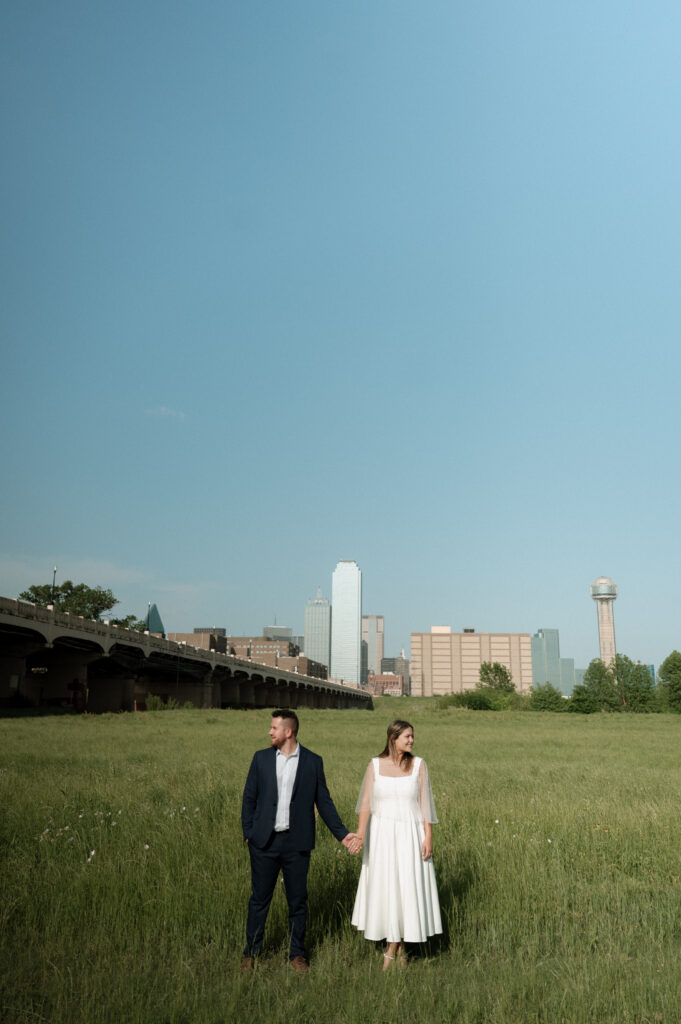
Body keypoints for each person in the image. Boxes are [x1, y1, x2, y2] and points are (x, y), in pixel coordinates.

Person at [241, 709, 360, 974]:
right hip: (263, 843)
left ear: (288, 732)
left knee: (297, 902)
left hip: (297, 844)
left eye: (274, 728)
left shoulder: (313, 762)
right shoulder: (261, 759)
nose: (269, 732)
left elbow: (324, 802)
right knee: (259, 900)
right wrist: (248, 832)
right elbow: (249, 798)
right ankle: (250, 954)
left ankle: (296, 955)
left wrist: (342, 835)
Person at [351, 719, 442, 968]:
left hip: (411, 833)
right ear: (393, 738)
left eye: (412, 736)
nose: (412, 740)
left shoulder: (419, 765)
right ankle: (398, 946)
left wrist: (428, 836)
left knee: (406, 885)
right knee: (387, 885)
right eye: (407, 736)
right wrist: (360, 834)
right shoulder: (375, 765)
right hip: (381, 835)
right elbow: (366, 803)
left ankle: (393, 948)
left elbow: (425, 803)